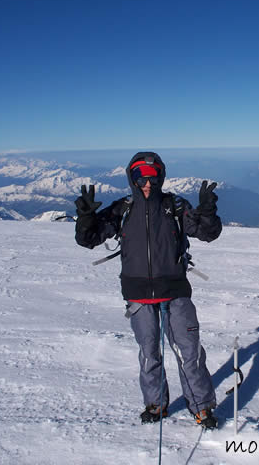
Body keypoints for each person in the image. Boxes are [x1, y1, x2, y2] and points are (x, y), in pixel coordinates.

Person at [74, 151, 221, 429]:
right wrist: (85, 217)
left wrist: (208, 212)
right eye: (141, 177)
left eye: (153, 178)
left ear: (161, 177)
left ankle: (201, 407)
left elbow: (207, 233)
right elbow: (89, 238)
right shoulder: (122, 209)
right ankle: (155, 404)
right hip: (138, 293)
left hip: (175, 290)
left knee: (188, 352)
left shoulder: (175, 206)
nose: (147, 183)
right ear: (132, 178)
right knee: (149, 352)